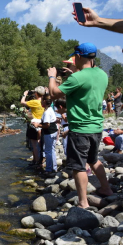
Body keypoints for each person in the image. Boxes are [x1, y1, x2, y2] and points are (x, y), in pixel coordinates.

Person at [47, 42, 114, 208]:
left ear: (77, 56)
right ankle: (106, 189)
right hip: (97, 127)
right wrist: (74, 73)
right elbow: (87, 85)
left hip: (80, 128)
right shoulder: (102, 74)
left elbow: (54, 94)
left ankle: (83, 202)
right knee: (94, 160)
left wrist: (52, 77)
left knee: (78, 167)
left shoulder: (78, 77)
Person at [32, 95, 58, 176]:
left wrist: (37, 125)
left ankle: (49, 169)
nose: (40, 102)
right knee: (52, 150)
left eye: (42, 100)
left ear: (44, 101)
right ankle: (54, 168)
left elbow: (47, 125)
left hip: (49, 132)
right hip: (54, 131)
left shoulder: (46, 112)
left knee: (48, 151)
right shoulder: (50, 109)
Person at [21, 87, 45, 166]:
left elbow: (22, 102)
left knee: (34, 144)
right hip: (42, 124)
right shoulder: (45, 101)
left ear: (36, 93)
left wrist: (24, 95)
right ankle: (38, 159)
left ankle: (37, 161)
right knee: (40, 143)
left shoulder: (35, 102)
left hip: (34, 124)